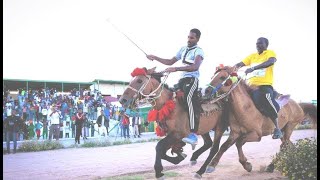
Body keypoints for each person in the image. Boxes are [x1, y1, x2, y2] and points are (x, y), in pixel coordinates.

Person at [146, 28, 204, 145]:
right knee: (170, 98)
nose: (189, 39)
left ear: (197, 39)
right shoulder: (183, 49)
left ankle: (193, 134)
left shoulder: (199, 51)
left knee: (189, 99)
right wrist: (155, 57)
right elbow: (170, 61)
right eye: (188, 37)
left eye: (192, 38)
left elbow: (195, 67)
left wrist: (176, 69)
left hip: (192, 80)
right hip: (181, 80)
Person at [233, 37, 283, 139]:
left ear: (266, 45)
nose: (257, 45)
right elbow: (241, 64)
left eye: (260, 43)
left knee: (266, 99)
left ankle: (277, 128)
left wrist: (253, 68)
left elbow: (270, 62)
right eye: (257, 43)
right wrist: (232, 68)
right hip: (250, 86)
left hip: (264, 85)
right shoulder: (252, 56)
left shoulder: (270, 53)